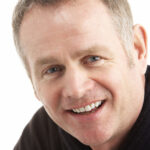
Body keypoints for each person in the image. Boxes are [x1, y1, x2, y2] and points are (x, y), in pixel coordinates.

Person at [12, 0, 150, 150]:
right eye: (52, 69)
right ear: (33, 82)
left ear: (137, 49)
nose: (76, 90)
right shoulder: (43, 135)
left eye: (93, 59)